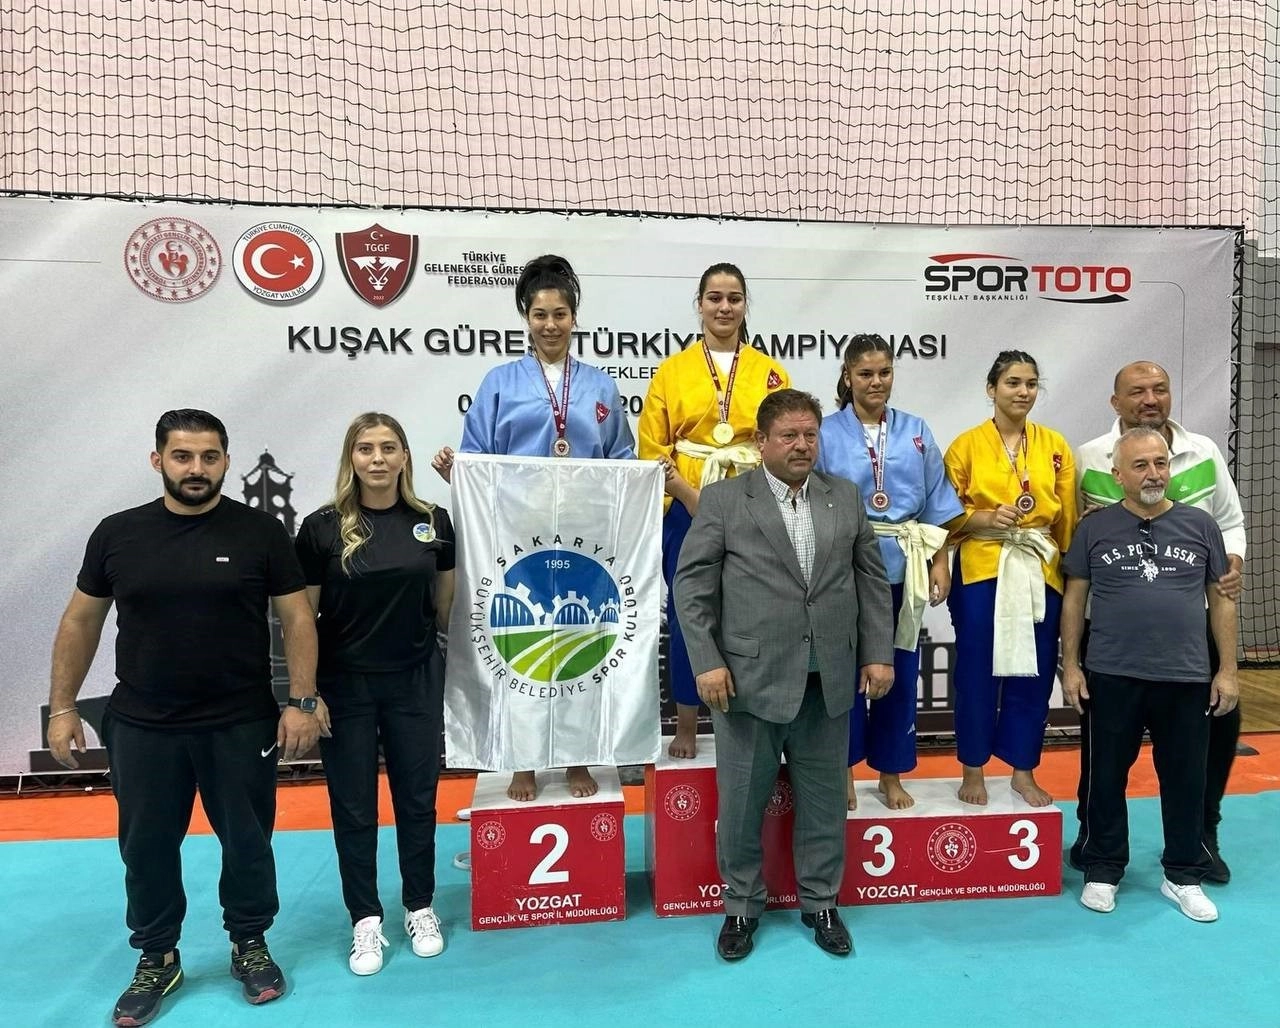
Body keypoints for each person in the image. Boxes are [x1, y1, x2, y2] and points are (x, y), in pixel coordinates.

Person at [46, 409, 323, 1027]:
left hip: (239, 720)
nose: (196, 468)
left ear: (225, 462)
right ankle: (157, 956)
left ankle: (249, 942)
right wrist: (63, 706)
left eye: (208, 457)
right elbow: (81, 620)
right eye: (182, 456)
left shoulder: (260, 532)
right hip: (144, 724)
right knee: (145, 848)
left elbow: (298, 618)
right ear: (158, 461)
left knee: (248, 843)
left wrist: (302, 701)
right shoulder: (118, 533)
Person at [674, 389, 894, 961]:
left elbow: (871, 581)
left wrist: (879, 652)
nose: (802, 445)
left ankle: (821, 902)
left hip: (829, 679)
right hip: (746, 682)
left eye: (810, 435)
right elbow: (691, 588)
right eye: (789, 435)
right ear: (761, 442)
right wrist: (707, 661)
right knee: (741, 805)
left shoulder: (844, 497)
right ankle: (741, 907)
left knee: (824, 804)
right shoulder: (724, 499)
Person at [432, 254, 635, 801]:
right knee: (519, 643)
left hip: (584, 536)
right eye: (540, 314)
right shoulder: (499, 382)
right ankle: (522, 759)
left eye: (560, 314)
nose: (550, 325)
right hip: (517, 536)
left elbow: (620, 458)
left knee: (583, 640)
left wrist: (642, 481)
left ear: (574, 319)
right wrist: (459, 470)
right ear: (526, 317)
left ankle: (576, 757)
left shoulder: (600, 387)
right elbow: (478, 454)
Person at [1071, 360, 1245, 883]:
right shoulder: (1087, 458)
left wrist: (1229, 566)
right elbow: (1075, 536)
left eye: (1160, 389)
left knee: (1209, 738)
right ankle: (1095, 842)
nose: (1150, 399)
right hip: (1113, 637)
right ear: (1116, 401)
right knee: (1103, 750)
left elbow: (1230, 522)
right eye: (1138, 391)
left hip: (1194, 628)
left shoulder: (1205, 451)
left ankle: (1201, 838)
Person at [295, 413, 454, 975]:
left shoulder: (433, 522)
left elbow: (445, 608)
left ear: (405, 456)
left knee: (418, 800)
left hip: (415, 681)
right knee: (354, 807)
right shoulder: (321, 528)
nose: (378, 458)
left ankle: (420, 906)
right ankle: (365, 919)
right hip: (346, 687)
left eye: (389, 447)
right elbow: (301, 620)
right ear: (352, 458)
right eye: (366, 449)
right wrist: (308, 695)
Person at [637, 262, 789, 758]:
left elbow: (783, 438)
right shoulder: (672, 371)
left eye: (734, 298)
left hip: (754, 502)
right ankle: (686, 722)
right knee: (689, 612)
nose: (724, 307)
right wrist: (684, 493)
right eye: (715, 298)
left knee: (754, 612)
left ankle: (750, 716)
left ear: (745, 305)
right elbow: (652, 448)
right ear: (699, 304)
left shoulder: (770, 371)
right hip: (686, 504)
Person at [814, 334, 962, 809]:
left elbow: (938, 501)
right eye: (865, 374)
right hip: (844, 564)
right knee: (843, 672)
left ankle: (891, 773)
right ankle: (842, 771)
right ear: (847, 376)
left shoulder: (915, 430)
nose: (876, 382)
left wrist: (941, 561)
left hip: (905, 561)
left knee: (899, 668)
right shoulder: (826, 432)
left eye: (884, 372)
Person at [943, 351, 1077, 807]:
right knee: (976, 671)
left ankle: (1023, 770)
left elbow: (1067, 518)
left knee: (1034, 673)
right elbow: (943, 512)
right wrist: (979, 518)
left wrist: (1068, 571)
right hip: (982, 566)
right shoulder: (965, 446)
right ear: (991, 389)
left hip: (1039, 566)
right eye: (1013, 383)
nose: (1023, 392)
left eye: (1031, 384)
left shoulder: (1055, 445)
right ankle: (973, 768)